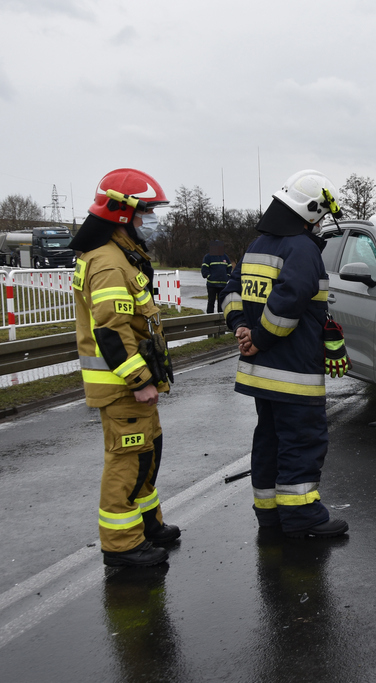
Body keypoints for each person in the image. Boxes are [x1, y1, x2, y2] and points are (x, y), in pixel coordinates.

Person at [219, 169, 351, 539]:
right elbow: (288, 303)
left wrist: (241, 328)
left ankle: (270, 514)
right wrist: (258, 337)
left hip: (260, 373)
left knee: (269, 440)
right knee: (302, 442)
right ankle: (302, 516)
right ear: (310, 212)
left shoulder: (257, 246)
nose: (322, 222)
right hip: (293, 372)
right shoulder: (303, 250)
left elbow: (232, 291)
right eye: (321, 215)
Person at [69, 168, 180, 567]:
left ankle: (148, 525)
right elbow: (111, 331)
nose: (151, 220)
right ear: (122, 214)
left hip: (133, 384)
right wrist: (139, 380)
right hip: (123, 386)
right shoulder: (109, 263)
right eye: (146, 212)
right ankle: (123, 546)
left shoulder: (120, 254)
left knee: (148, 454)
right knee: (127, 460)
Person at [200, 240, 233, 313]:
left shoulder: (225, 256)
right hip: (212, 284)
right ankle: (209, 317)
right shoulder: (208, 257)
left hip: (223, 284)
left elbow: (229, 267)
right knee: (211, 302)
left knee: (221, 302)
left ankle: (220, 318)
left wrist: (227, 276)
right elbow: (204, 269)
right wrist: (208, 276)